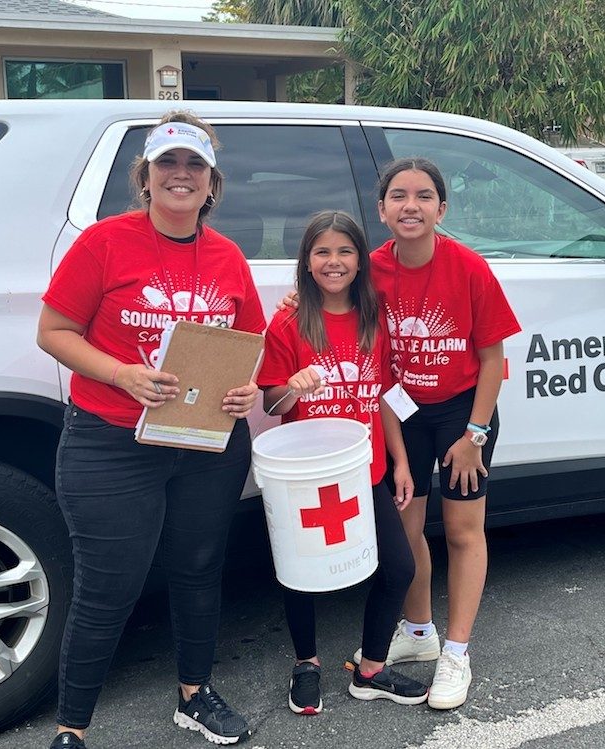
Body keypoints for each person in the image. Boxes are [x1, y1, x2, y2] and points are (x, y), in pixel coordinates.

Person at [37, 111, 266, 748]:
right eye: (168, 163)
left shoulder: (227, 257)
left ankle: (195, 694)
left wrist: (245, 388)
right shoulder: (105, 243)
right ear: (146, 177)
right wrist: (123, 374)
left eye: (194, 164)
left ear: (211, 182)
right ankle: (71, 728)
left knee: (198, 569)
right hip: (111, 441)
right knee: (109, 585)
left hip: (205, 444)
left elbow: (248, 345)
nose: (181, 175)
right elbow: (53, 332)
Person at [280, 158, 520, 710]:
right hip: (401, 412)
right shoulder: (372, 269)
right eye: (398, 196)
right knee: (406, 533)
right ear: (382, 208)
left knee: (462, 531)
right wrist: (297, 298)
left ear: (442, 208)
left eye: (424, 195)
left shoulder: (469, 268)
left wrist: (474, 435)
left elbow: (492, 358)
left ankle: (456, 652)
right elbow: (327, 291)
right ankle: (418, 631)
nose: (411, 205)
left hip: (465, 414)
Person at [257, 210, 428, 715]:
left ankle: (371, 669)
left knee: (398, 566)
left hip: (363, 469)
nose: (334, 262)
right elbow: (269, 404)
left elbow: (383, 395)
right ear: (307, 262)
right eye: (322, 252)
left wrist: (399, 462)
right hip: (307, 477)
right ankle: (305, 663)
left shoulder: (374, 316)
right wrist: (290, 388)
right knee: (298, 573)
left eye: (345, 251)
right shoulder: (288, 320)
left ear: (360, 259)